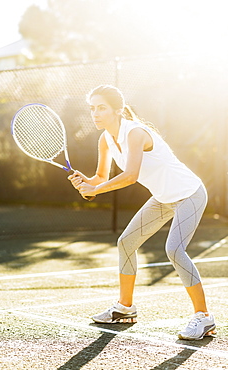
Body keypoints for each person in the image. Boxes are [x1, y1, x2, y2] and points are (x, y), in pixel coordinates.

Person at [68, 84, 216, 340]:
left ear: (118, 110)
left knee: (174, 250)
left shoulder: (135, 133)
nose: (95, 113)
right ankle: (125, 308)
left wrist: (97, 189)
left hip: (189, 193)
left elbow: (130, 175)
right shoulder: (105, 139)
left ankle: (204, 317)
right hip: (163, 198)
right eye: (92, 108)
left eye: (101, 107)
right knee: (126, 243)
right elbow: (101, 177)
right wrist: (86, 182)